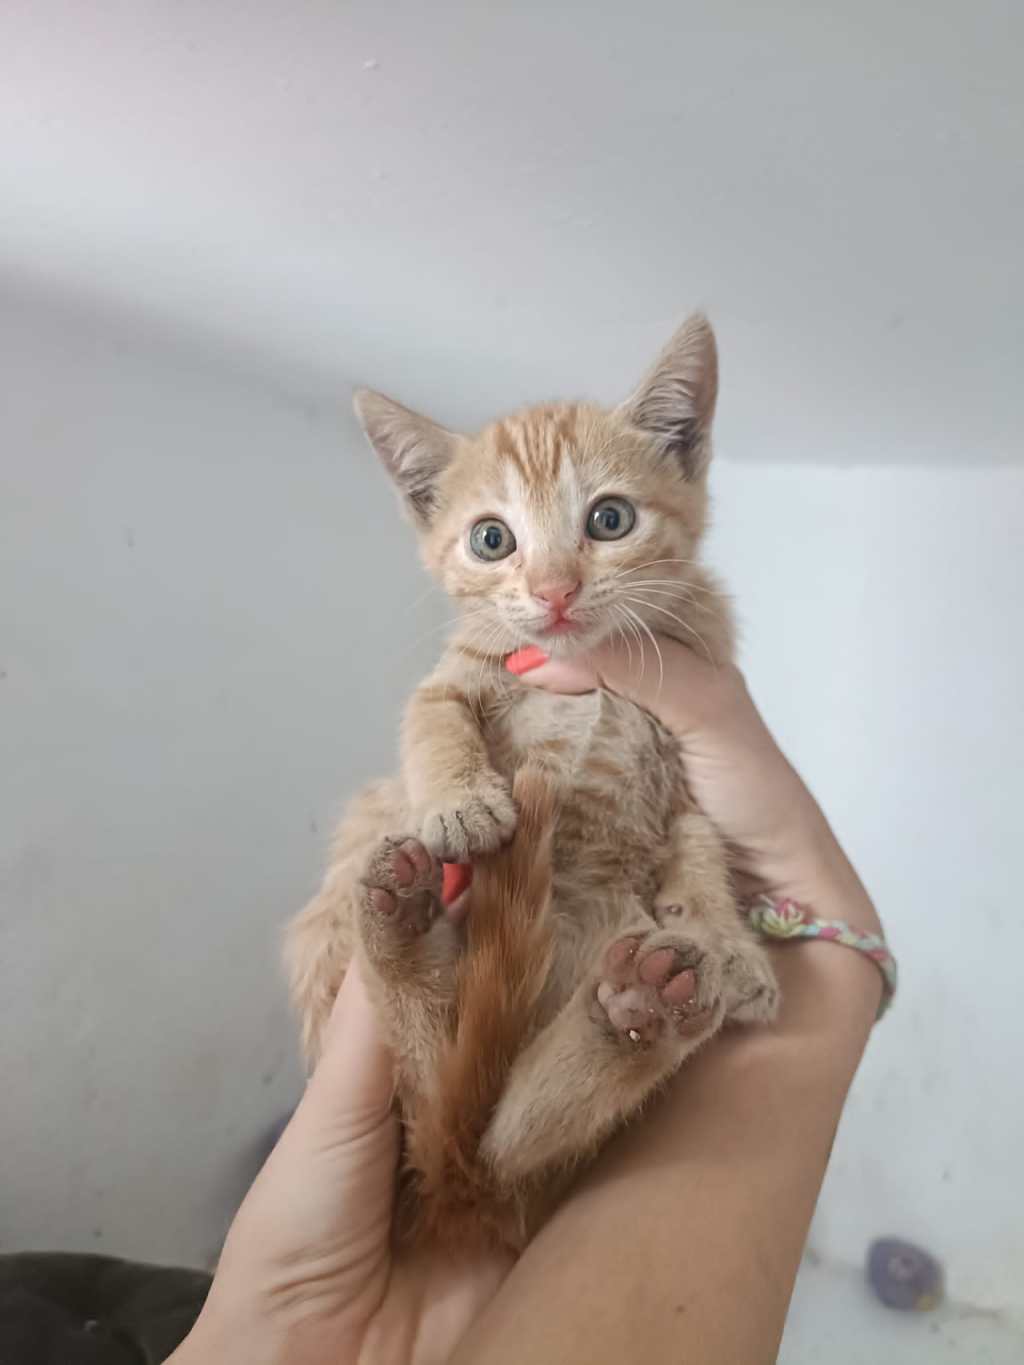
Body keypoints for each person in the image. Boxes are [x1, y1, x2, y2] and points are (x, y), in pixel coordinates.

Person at [170, 635, 890, 1365]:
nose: (552, 589)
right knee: (392, 887)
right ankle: (584, 1035)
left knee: (477, 1065)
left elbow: (684, 826)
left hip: (397, 1256)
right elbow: (441, 706)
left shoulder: (662, 640)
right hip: (540, 1054)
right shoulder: (487, 649)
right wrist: (817, 928)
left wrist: (714, 915)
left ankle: (445, 981)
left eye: (605, 535)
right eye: (499, 558)